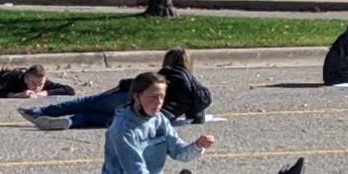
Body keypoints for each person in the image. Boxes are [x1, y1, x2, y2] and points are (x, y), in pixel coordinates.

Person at [100, 71, 304, 174]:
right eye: (153, 97)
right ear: (137, 96)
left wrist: (197, 146)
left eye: (162, 97)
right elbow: (135, 170)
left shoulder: (159, 119)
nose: (158, 103)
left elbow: (179, 152)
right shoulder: (123, 126)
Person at [23, 48, 213, 130]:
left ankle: (40, 111)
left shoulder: (168, 73)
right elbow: (197, 117)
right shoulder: (195, 87)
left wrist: (116, 88)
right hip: (150, 119)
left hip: (130, 100)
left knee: (88, 103)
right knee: (92, 118)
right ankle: (70, 122)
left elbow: (142, 83)